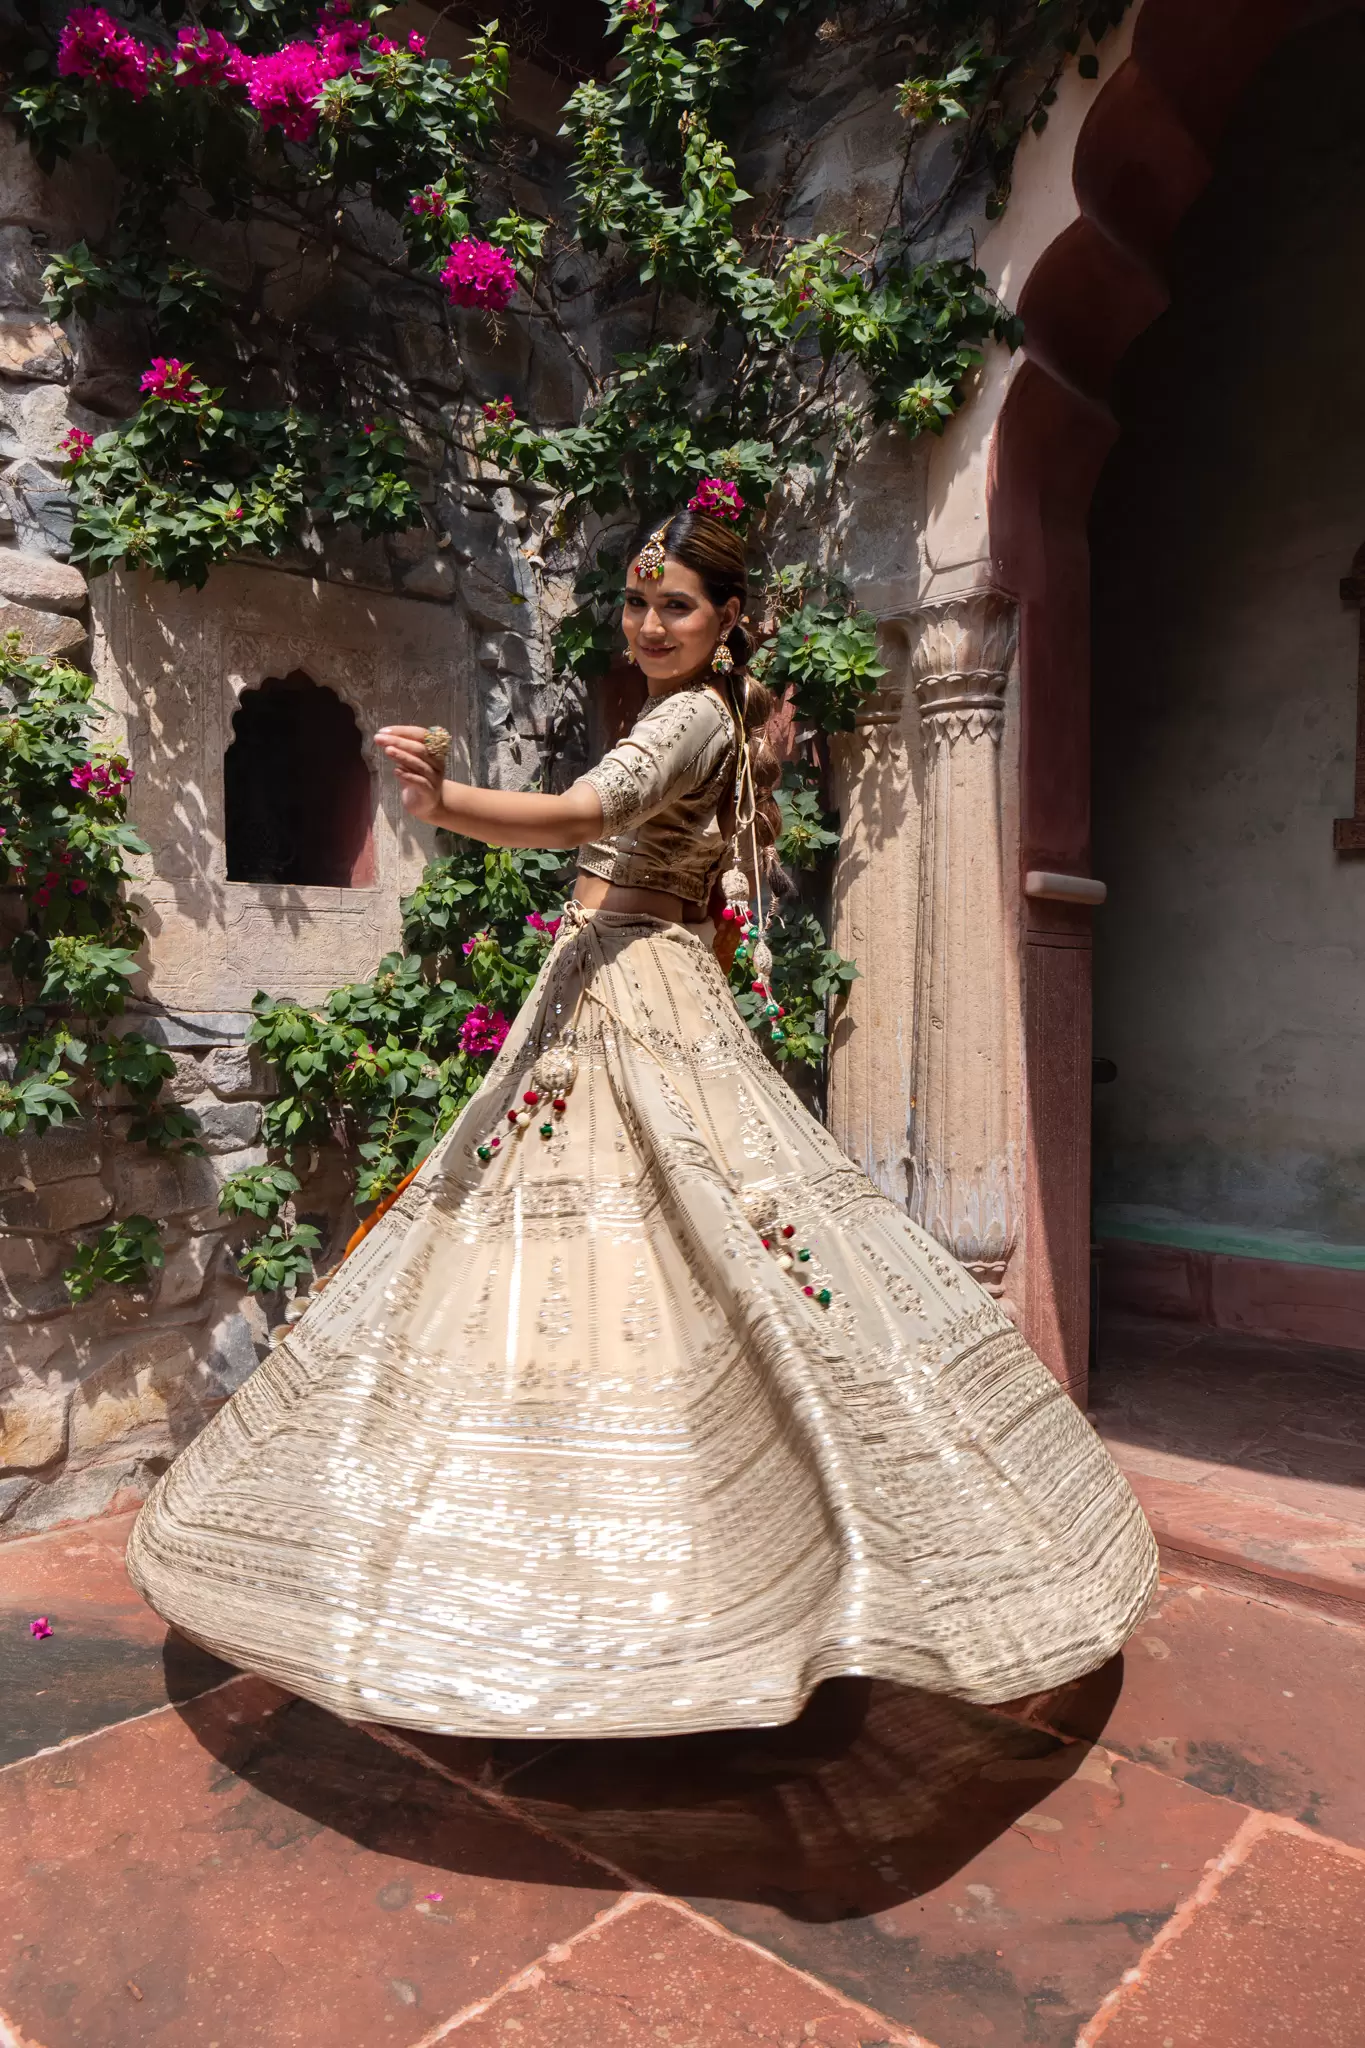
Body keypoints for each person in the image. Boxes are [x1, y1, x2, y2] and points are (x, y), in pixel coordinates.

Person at [128, 496, 1157, 1738]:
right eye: (635, 601)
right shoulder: (715, 713)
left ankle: (694, 1572)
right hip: (617, 981)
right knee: (648, 1252)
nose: (649, 623)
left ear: (727, 617)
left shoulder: (685, 718)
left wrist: (449, 803)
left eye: (676, 604)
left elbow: (584, 815)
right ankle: (624, 1555)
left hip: (631, 990)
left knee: (675, 1249)